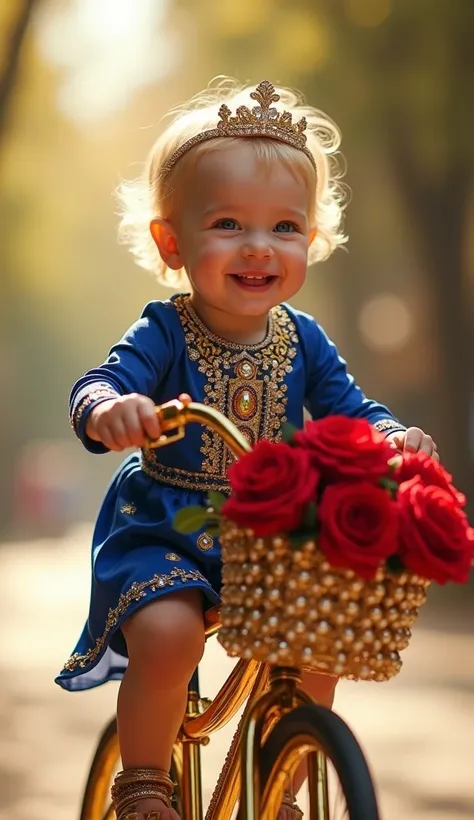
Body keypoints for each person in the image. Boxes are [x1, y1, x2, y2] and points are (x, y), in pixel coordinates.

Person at [56, 79, 438, 820]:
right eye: (228, 223)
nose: (259, 247)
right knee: (167, 636)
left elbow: (352, 411)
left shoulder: (304, 338)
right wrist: (112, 409)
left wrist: (389, 438)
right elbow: (99, 382)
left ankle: (287, 782)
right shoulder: (165, 330)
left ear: (312, 239)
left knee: (318, 636)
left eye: (285, 227)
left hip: (264, 530)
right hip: (166, 526)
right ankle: (141, 782)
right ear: (173, 243)